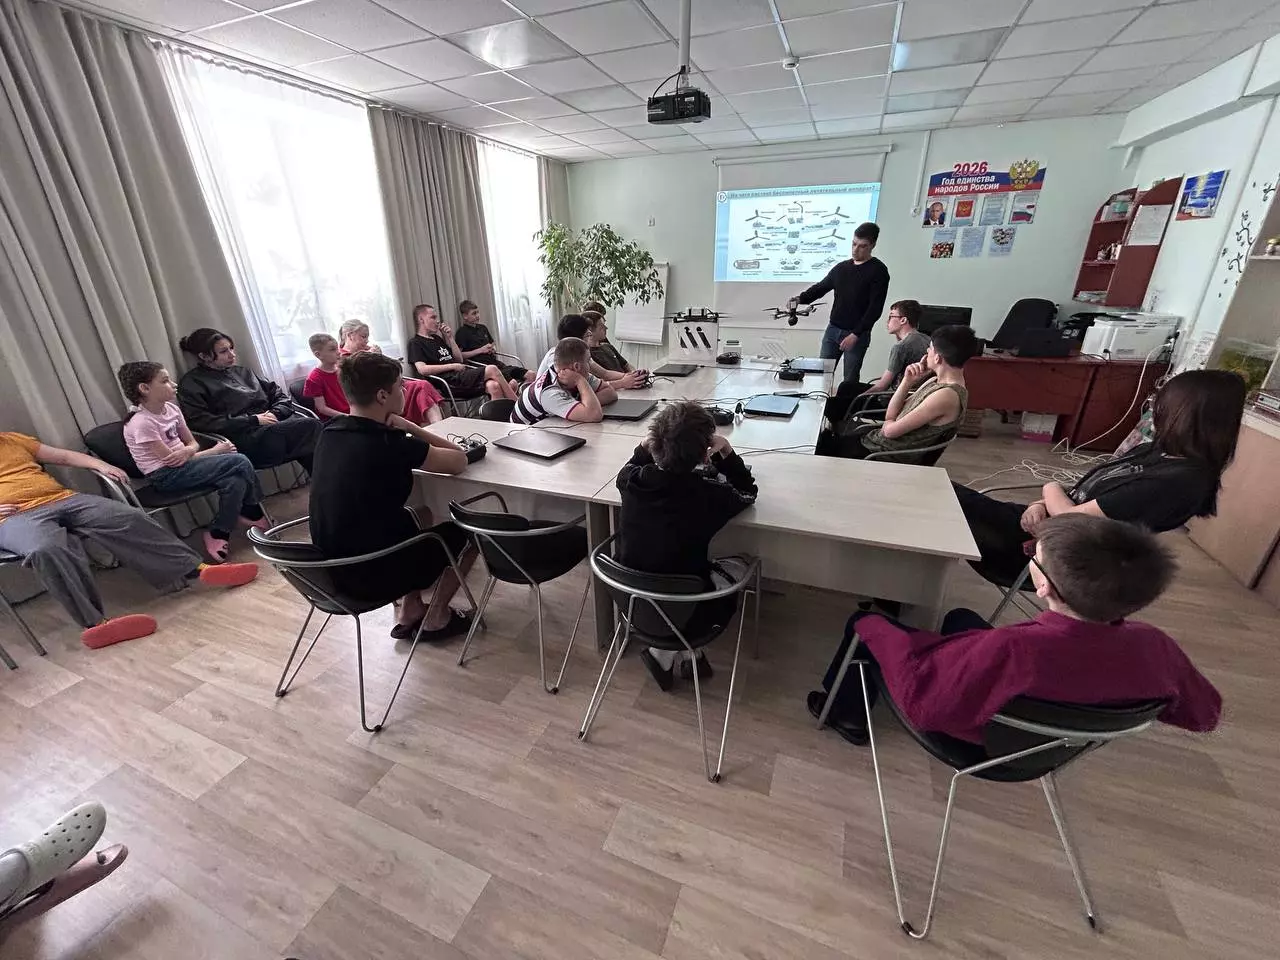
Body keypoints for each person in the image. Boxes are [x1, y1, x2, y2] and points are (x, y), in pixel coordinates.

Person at [808, 514, 1222, 746]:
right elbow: (1204, 714)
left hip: (991, 740)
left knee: (866, 623)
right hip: (1055, 742)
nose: (1030, 560)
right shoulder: (1156, 646)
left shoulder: (1012, 649)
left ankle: (845, 714)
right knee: (959, 618)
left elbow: (923, 707)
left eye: (1033, 557)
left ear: (1043, 586)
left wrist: (887, 634)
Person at [953, 369, 1247, 582]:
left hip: (1050, 556)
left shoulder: (1178, 482)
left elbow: (1070, 517)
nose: (1154, 405)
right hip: (1039, 527)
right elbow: (1085, 494)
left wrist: (1049, 487)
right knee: (947, 497)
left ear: (1184, 413)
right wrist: (1039, 504)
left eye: (1162, 401)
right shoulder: (1157, 451)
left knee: (949, 505)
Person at [0, 432, 256, 649]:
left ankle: (197, 569)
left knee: (129, 518)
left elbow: (64, 457)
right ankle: (96, 625)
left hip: (64, 499)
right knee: (47, 549)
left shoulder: (12, 439)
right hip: (13, 517)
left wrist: (100, 465)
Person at [309, 352, 477, 641]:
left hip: (327, 572)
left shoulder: (329, 433)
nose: (405, 391)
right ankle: (437, 616)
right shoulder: (389, 442)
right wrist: (412, 427)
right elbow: (459, 459)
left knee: (417, 513)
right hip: (372, 574)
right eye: (401, 386)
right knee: (472, 530)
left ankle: (411, 608)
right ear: (382, 395)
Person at [617, 401, 758, 690]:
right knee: (743, 561)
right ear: (705, 454)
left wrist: (645, 448)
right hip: (696, 612)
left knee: (673, 573)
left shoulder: (631, 481)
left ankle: (670, 652)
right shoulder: (708, 494)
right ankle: (682, 650)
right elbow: (747, 492)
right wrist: (727, 452)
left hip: (633, 604)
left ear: (654, 444)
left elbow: (631, 465)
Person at [118, 361, 267, 563]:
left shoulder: (172, 409)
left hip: (187, 465)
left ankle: (219, 531)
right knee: (239, 461)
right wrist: (215, 451)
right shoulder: (141, 423)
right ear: (144, 388)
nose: (173, 384)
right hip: (165, 476)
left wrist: (188, 450)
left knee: (234, 480)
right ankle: (252, 510)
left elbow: (192, 443)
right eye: (165, 381)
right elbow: (173, 462)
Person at [816, 323, 975, 460]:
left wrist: (889, 422)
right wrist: (907, 381)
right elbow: (893, 415)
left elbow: (889, 431)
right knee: (822, 438)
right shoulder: (936, 381)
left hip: (882, 453)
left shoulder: (946, 396)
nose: (927, 350)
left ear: (937, 358)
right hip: (877, 443)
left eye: (931, 348)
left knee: (818, 445)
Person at [176, 328, 321, 476]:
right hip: (244, 441)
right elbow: (201, 422)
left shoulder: (244, 372)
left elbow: (279, 395)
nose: (232, 354)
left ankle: (325, 484)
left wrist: (275, 413)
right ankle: (326, 484)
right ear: (204, 356)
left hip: (276, 429)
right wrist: (253, 420)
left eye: (231, 348)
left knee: (311, 438)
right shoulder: (192, 383)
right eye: (224, 351)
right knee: (311, 429)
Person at [788, 221, 891, 386]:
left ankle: (846, 404)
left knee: (849, 380)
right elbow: (821, 287)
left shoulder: (878, 271)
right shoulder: (841, 268)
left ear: (872, 245)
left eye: (862, 246)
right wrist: (800, 299)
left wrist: (855, 334)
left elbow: (875, 309)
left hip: (857, 334)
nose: (855, 250)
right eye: (854, 244)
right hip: (833, 330)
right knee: (821, 375)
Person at [824, 299, 931, 423]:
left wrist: (859, 398)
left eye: (891, 317)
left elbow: (881, 386)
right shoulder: (927, 339)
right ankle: (846, 423)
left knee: (831, 404)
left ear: (903, 320)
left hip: (892, 402)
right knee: (846, 386)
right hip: (912, 398)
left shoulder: (901, 347)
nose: (887, 322)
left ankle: (842, 430)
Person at [334, 321, 443, 424]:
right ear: (350, 336)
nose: (367, 341)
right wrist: (374, 357)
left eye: (367, 337)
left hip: (388, 384)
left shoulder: (363, 352)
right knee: (420, 387)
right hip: (374, 391)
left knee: (422, 386)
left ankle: (437, 425)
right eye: (363, 337)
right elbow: (365, 379)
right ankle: (435, 428)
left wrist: (381, 358)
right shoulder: (341, 358)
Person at [406, 304, 518, 402]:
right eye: (433, 317)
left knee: (494, 386)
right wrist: (452, 366)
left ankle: (499, 418)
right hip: (448, 382)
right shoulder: (415, 343)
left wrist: (450, 338)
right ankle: (518, 408)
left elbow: (459, 359)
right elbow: (422, 369)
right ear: (421, 319)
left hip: (460, 377)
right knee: (492, 369)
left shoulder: (437, 338)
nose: (437, 321)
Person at [511, 337, 617, 425]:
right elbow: (594, 415)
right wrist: (580, 382)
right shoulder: (550, 391)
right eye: (588, 360)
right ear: (576, 366)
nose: (590, 365)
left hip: (550, 427)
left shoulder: (576, 374)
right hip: (525, 434)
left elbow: (611, 393)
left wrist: (581, 403)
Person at [536, 314, 647, 389]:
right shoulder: (556, 358)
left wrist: (634, 377)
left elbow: (605, 374)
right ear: (576, 339)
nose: (589, 338)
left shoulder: (578, 354)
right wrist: (622, 383)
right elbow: (584, 388)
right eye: (587, 335)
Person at [454, 300, 532, 383]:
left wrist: (493, 348)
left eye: (478, 312)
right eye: (474, 313)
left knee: (531, 374)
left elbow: (492, 343)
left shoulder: (483, 328)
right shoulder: (461, 332)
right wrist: (481, 350)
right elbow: (460, 356)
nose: (477, 316)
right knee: (513, 383)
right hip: (483, 368)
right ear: (465, 316)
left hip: (496, 363)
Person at [581, 302, 632, 374]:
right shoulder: (586, 355)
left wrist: (635, 374)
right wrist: (629, 377)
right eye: (601, 325)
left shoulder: (607, 346)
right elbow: (605, 375)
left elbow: (626, 365)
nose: (606, 328)